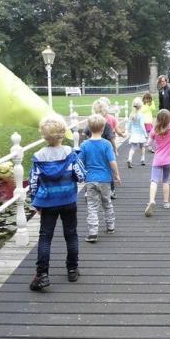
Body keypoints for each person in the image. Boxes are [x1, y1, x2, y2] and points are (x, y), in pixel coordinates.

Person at [29, 115, 86, 291]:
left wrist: (35, 202)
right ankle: (72, 269)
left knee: (45, 237)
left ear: (44, 136)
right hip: (68, 200)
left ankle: (42, 275)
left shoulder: (39, 157)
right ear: (62, 134)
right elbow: (82, 175)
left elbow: (33, 182)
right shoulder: (70, 153)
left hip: (48, 203)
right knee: (71, 234)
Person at [79, 114, 121, 243]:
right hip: (105, 180)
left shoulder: (85, 145)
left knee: (92, 206)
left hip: (91, 180)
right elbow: (112, 162)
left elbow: (80, 162)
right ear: (103, 128)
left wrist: (80, 176)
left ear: (89, 129)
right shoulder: (107, 144)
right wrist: (116, 175)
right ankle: (110, 226)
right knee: (107, 202)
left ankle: (92, 233)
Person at [144, 109, 170, 217]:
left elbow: (149, 143)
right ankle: (166, 202)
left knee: (154, 180)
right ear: (169, 119)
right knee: (166, 181)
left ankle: (152, 200)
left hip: (158, 159)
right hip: (169, 159)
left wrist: (146, 145)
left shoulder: (154, 130)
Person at [91, 99, 119, 199]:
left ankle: (89, 190)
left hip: (93, 150)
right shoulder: (106, 125)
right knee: (108, 170)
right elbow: (111, 138)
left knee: (93, 168)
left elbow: (85, 133)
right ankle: (111, 191)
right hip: (105, 150)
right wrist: (115, 149)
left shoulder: (91, 123)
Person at [127, 97, 148, 168]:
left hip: (134, 134)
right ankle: (142, 159)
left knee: (133, 147)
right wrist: (145, 134)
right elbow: (142, 125)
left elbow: (129, 124)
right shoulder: (141, 115)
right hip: (141, 134)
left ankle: (129, 159)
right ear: (141, 105)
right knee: (142, 147)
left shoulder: (131, 114)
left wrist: (129, 131)